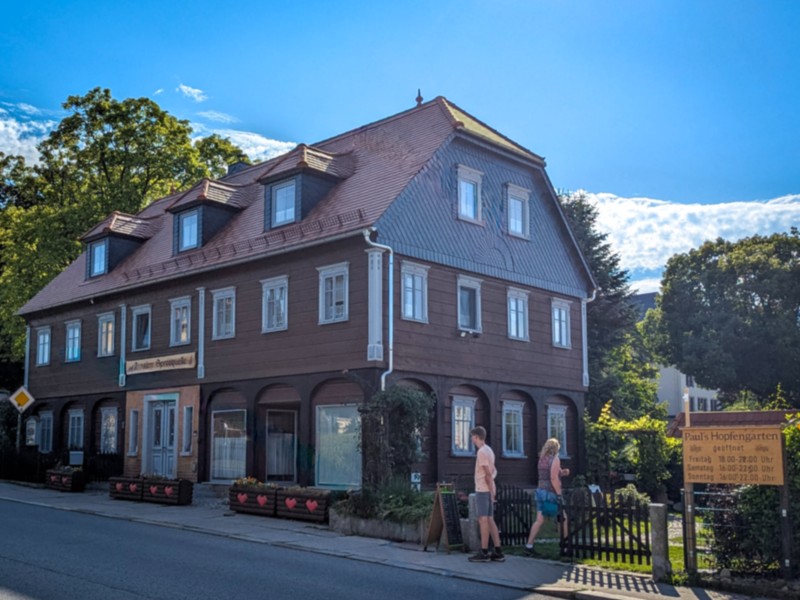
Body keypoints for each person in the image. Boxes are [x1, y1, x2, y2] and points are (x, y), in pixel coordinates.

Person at [525, 438, 569, 556]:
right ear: (555, 449)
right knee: (563, 519)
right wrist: (559, 493)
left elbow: (550, 473)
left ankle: (529, 545)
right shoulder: (555, 459)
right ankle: (564, 547)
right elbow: (553, 478)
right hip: (551, 493)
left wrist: (562, 472)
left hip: (540, 491)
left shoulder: (542, 459)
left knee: (539, 520)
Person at [468, 426, 505, 562]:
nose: (471, 439)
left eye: (472, 436)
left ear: (477, 437)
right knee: (490, 519)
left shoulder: (482, 452)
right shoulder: (489, 450)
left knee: (483, 519)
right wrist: (493, 489)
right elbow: (494, 471)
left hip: (483, 489)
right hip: (488, 488)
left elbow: (488, 474)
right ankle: (498, 550)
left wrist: (491, 491)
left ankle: (484, 552)